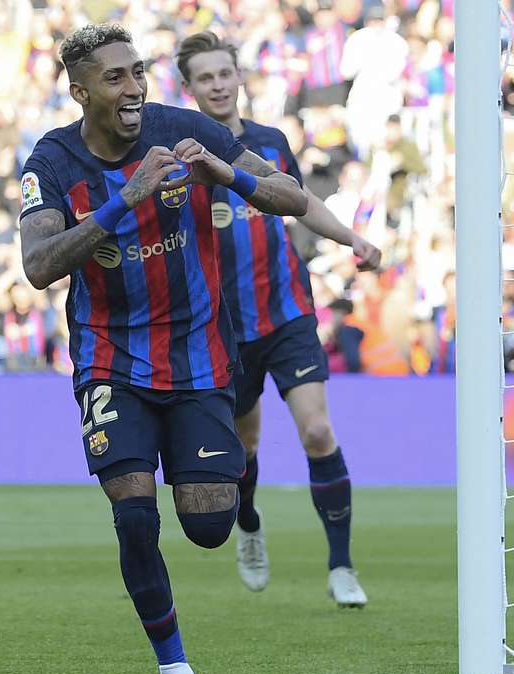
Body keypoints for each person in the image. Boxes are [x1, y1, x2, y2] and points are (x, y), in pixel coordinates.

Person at [17, 24, 306, 674]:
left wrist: (226, 173)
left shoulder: (181, 127)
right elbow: (38, 265)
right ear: (80, 90)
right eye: (115, 77)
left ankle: (224, 482)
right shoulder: (52, 160)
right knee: (135, 515)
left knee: (207, 524)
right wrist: (128, 198)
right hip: (110, 361)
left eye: (138, 72)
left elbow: (292, 196)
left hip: (201, 358)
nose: (134, 87)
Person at [176, 30, 382, 606]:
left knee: (317, 431)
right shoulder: (180, 154)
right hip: (224, 329)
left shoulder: (270, 142)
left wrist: (352, 239)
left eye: (224, 73)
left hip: (287, 311)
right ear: (189, 89)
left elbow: (301, 202)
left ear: (239, 78)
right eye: (205, 77)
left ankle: (341, 566)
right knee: (244, 449)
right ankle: (248, 524)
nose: (217, 84)